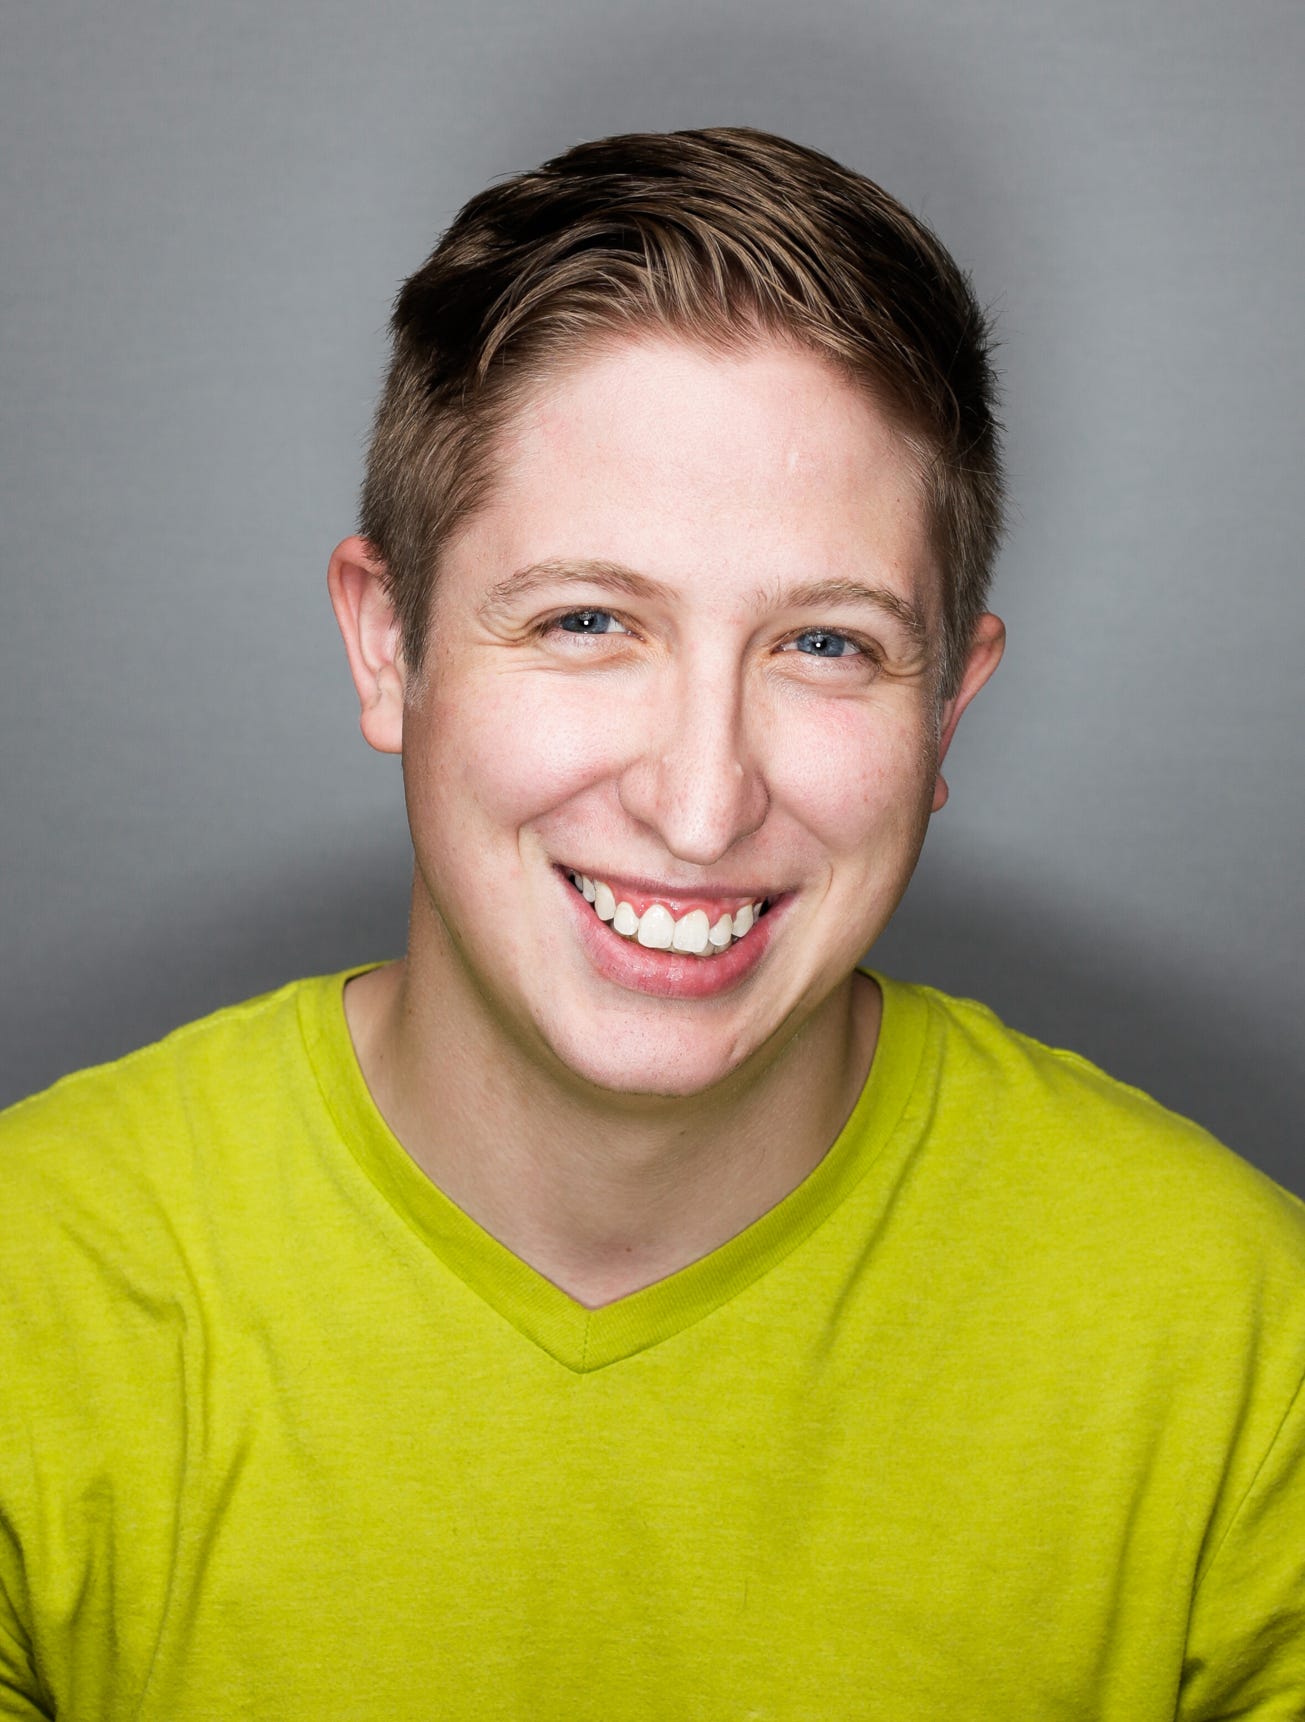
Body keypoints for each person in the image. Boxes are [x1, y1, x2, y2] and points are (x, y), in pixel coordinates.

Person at [1, 126, 1302, 1720]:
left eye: (824, 644)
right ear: (389, 645)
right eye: (587, 620)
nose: (699, 805)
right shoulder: (31, 1290)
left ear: (944, 709)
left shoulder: (1246, 1352)